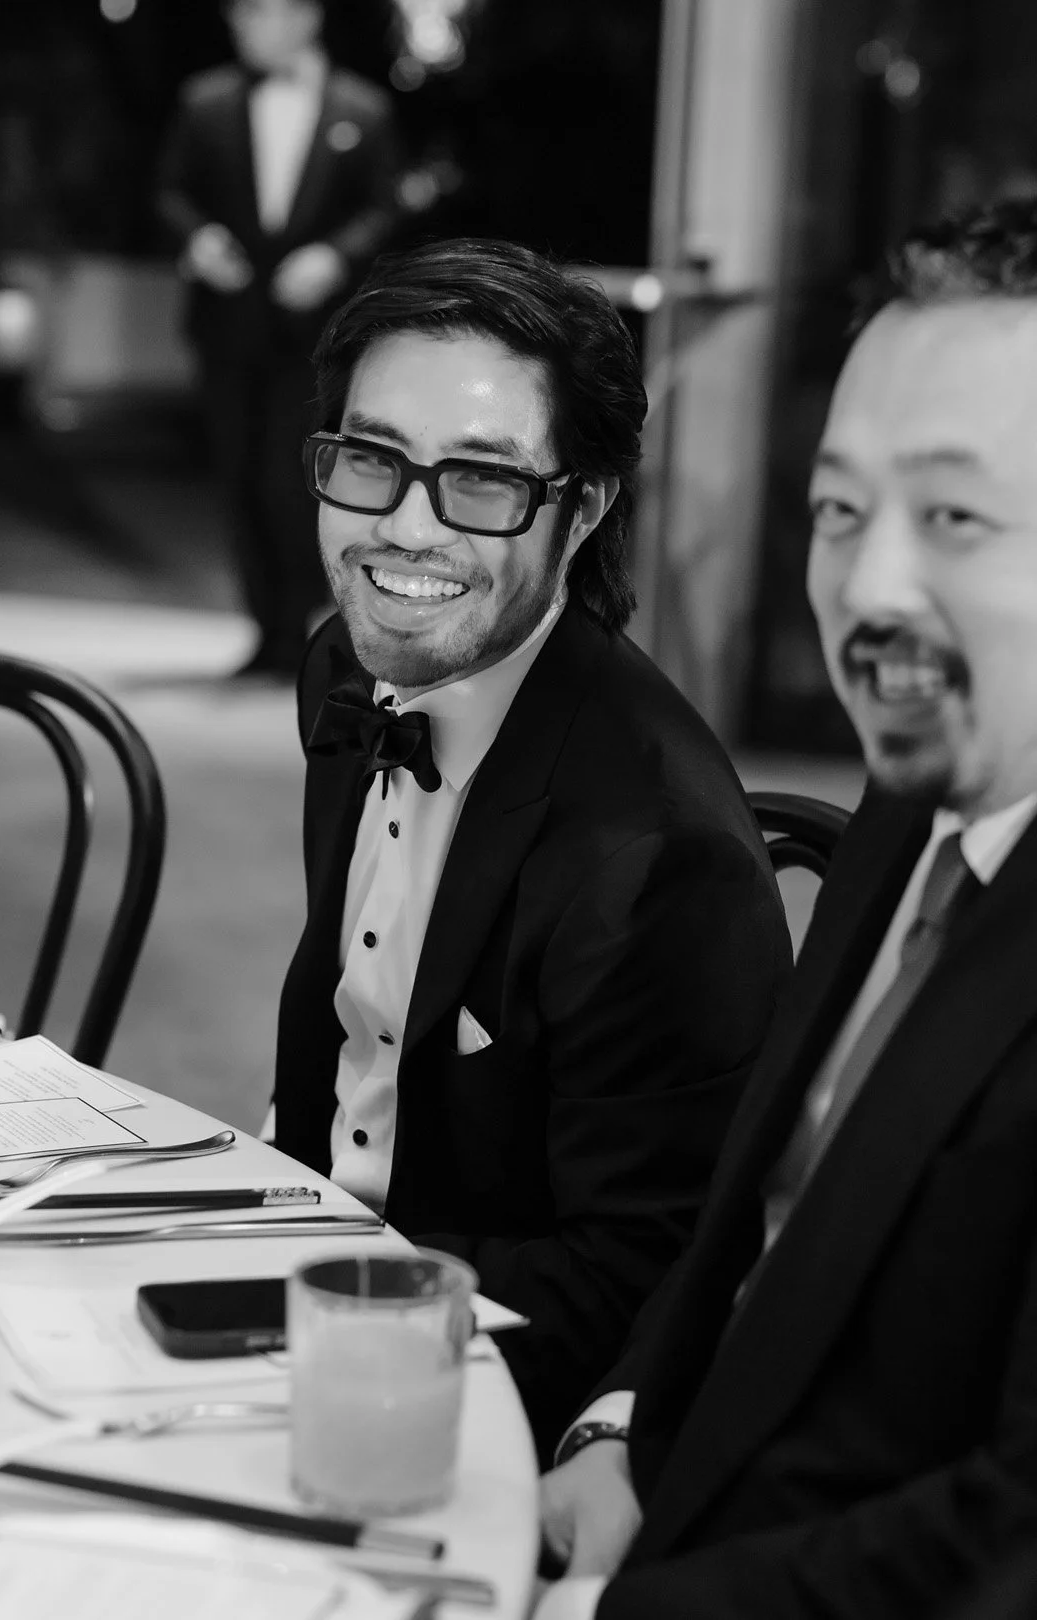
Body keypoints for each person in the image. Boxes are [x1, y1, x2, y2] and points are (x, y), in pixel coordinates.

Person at [537, 198, 1037, 1619]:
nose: (868, 588)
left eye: (954, 515)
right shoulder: (913, 795)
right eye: (838, 509)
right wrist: (623, 1426)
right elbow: (758, 1223)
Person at [273, 237, 792, 1455]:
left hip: (485, 1396)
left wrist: (303, 1325)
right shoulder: (346, 673)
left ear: (585, 505)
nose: (403, 529)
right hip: (303, 1271)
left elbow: (643, 1278)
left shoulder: (653, 850)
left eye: (482, 482)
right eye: (370, 459)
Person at [156, 0, 401, 678]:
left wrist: (333, 256)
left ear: (304, 18)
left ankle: (302, 627)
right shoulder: (204, 101)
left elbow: (381, 208)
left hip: (316, 334)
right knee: (237, 476)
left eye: (257, 12)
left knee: (292, 479)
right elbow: (171, 193)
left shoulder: (364, 108)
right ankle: (266, 631)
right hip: (228, 324)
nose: (241, 24)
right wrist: (198, 239)